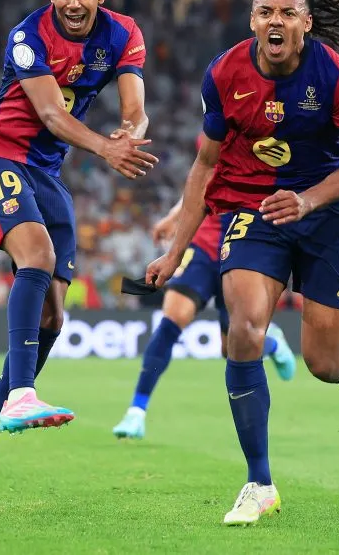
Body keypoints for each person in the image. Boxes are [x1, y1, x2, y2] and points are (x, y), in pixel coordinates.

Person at [145, 0, 339, 525]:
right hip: (253, 211)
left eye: (287, 12)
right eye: (265, 11)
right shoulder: (226, 72)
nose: (275, 20)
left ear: (306, 23)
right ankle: (259, 482)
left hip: (323, 214)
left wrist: (307, 200)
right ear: (253, 20)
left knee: (323, 363)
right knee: (245, 327)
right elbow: (205, 164)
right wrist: (177, 249)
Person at [0, 0, 159, 502]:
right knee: (37, 258)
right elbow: (49, 113)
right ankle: (22, 393)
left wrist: (130, 130)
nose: (72, 2)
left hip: (44, 171)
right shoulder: (28, 37)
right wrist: (105, 150)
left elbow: (134, 103)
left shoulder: (122, 33)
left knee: (53, 317)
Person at [112, 133, 296, 441]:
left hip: (242, 246)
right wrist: (174, 217)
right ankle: (136, 411)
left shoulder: (268, 133)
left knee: (231, 348)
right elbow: (202, 180)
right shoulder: (212, 133)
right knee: (172, 319)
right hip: (203, 243)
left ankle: (272, 345)